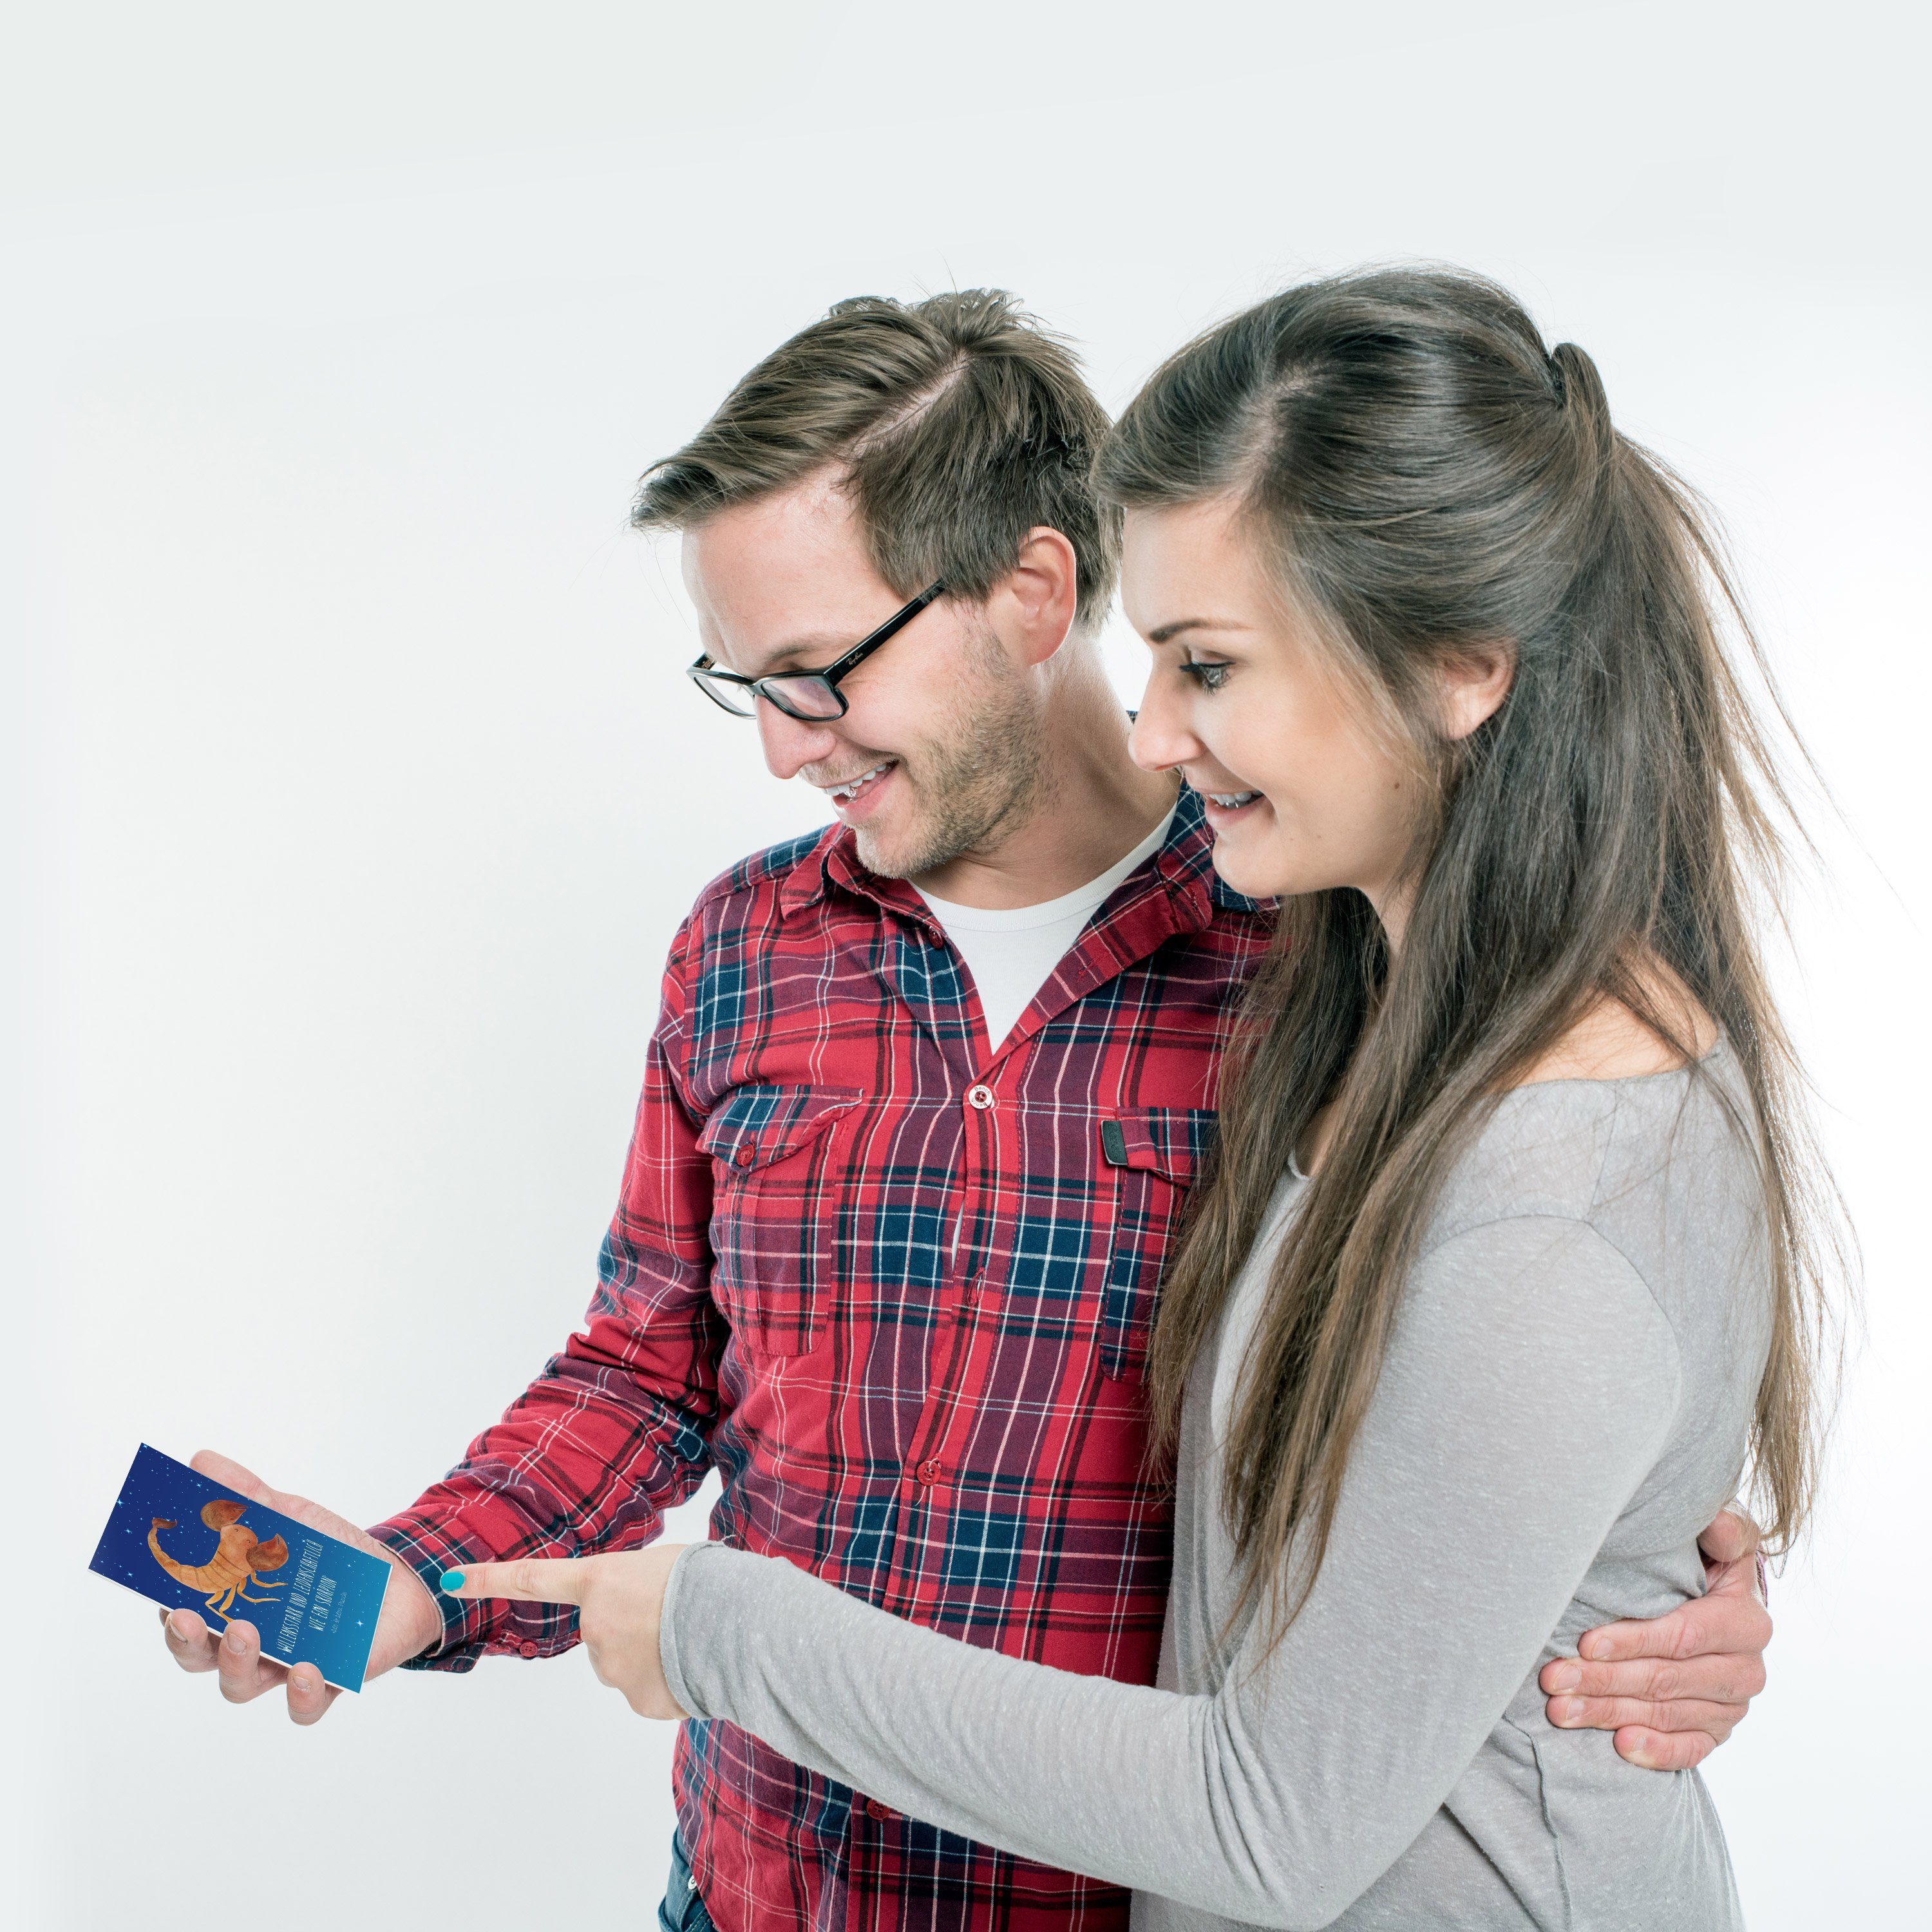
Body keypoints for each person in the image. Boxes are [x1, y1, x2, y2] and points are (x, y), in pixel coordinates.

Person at [162, 289, 1776, 1932]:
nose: (788, 751)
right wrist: (415, 1584)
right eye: (747, 687)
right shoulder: (745, 949)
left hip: (1110, 1895)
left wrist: (1646, 1585)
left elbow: (1533, 1333)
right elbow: (647, 1370)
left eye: (818, 673)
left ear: (1032, 592)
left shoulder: (1322, 950)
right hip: (759, 1888)